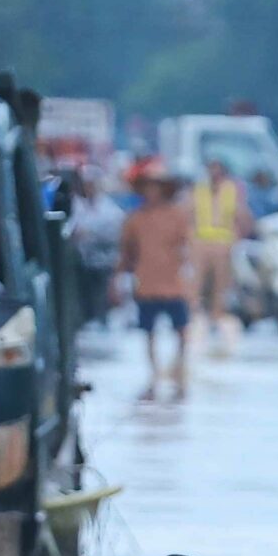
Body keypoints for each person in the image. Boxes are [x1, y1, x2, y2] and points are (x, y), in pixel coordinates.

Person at [117, 161, 194, 400]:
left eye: (156, 187)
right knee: (148, 331)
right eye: (148, 187)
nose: (152, 192)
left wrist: (190, 277)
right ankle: (153, 375)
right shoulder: (135, 219)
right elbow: (126, 253)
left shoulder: (177, 216)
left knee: (181, 330)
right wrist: (117, 278)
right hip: (146, 283)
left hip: (173, 284)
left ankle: (179, 371)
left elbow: (188, 248)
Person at [186, 157, 252, 344]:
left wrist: (237, 238)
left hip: (223, 244)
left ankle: (217, 318)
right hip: (200, 243)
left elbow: (243, 217)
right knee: (195, 284)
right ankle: (195, 318)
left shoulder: (232, 191)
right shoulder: (198, 190)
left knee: (220, 285)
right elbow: (187, 214)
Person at [67, 169, 125, 326]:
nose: (89, 187)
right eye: (86, 184)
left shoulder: (110, 209)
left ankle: (102, 320)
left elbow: (116, 232)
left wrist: (91, 233)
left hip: (104, 261)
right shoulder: (75, 205)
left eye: (92, 184)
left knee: (102, 294)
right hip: (80, 261)